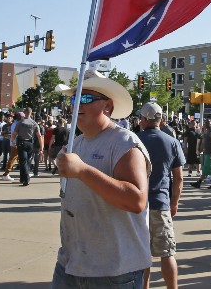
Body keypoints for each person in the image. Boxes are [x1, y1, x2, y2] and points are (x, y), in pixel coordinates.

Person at [53, 70, 151, 288]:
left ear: (108, 106)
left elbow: (136, 201)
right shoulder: (75, 143)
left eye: (85, 98)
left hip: (113, 271)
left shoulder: (124, 142)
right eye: (74, 98)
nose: (77, 105)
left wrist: (82, 170)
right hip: (70, 264)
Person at [138, 102, 186, 289]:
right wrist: (175, 202)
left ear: (143, 120)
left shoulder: (134, 140)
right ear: (161, 120)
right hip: (161, 202)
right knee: (167, 253)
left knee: (142, 255)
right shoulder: (172, 142)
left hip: (138, 204)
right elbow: (179, 177)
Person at [11, 108, 43, 186]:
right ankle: (23, 178)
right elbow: (39, 136)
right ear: (31, 113)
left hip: (21, 142)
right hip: (30, 143)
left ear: (24, 113)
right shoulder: (34, 123)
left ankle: (26, 179)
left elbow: (14, 134)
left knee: (23, 161)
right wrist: (41, 147)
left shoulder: (20, 122)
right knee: (27, 161)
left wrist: (13, 141)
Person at [190, 119, 211, 189]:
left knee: (206, 169)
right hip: (206, 153)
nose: (206, 124)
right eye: (206, 123)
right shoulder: (205, 132)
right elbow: (203, 142)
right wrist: (199, 150)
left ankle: (199, 182)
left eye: (208, 123)